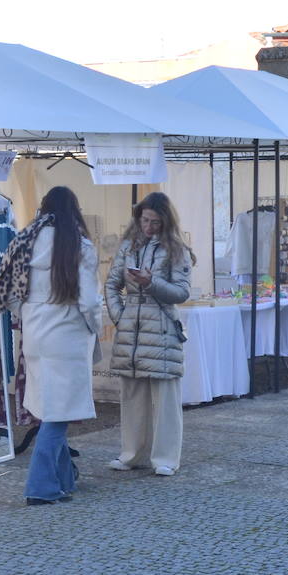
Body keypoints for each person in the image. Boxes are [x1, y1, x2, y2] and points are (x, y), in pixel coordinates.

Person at [0, 186, 101, 505]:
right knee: (58, 414)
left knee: (48, 407)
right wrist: (94, 329)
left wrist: (26, 315)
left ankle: (64, 480)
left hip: (34, 332)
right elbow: (89, 302)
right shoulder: (79, 246)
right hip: (66, 333)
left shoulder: (24, 240)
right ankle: (40, 487)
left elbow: (8, 292)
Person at [105, 192, 193, 477]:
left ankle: (166, 457)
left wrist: (151, 282)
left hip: (162, 327)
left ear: (165, 222)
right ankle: (132, 454)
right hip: (132, 329)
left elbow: (181, 292)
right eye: (145, 220)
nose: (149, 226)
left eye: (155, 222)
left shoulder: (177, 249)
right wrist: (121, 316)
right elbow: (110, 285)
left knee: (165, 396)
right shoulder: (128, 246)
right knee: (132, 395)